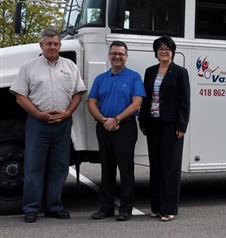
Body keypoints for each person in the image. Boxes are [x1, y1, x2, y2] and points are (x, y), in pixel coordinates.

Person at [9, 28, 87, 223]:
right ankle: (31, 208)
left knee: (59, 166)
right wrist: (39, 114)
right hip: (38, 122)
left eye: (55, 43)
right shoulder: (29, 67)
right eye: (49, 43)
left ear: (60, 45)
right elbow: (20, 96)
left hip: (63, 122)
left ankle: (54, 206)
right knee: (34, 166)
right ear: (41, 45)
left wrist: (68, 112)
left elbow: (79, 92)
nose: (52, 46)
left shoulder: (69, 66)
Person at [87, 41, 145, 221]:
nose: (117, 56)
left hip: (125, 127)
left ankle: (126, 209)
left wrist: (117, 119)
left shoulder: (134, 77)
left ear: (126, 56)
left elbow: (137, 103)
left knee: (126, 169)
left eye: (121, 53)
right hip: (104, 126)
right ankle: (106, 208)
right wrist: (104, 120)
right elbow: (91, 102)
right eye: (114, 53)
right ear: (109, 55)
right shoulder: (100, 79)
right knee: (107, 168)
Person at [139, 35, 190, 222]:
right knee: (156, 166)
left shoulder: (179, 72)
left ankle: (168, 209)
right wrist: (142, 122)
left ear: (172, 52)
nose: (163, 51)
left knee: (170, 167)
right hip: (153, 125)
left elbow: (185, 101)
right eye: (160, 48)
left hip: (171, 125)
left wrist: (182, 125)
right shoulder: (150, 71)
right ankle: (156, 206)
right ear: (156, 52)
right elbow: (145, 100)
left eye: (167, 48)